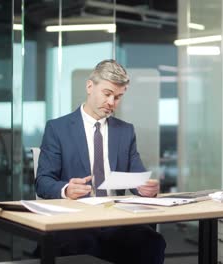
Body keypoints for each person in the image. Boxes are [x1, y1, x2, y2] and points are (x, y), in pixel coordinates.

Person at [35, 59, 166, 264]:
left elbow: (137, 178)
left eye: (118, 97)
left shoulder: (125, 131)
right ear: (90, 86)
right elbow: (42, 181)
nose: (112, 102)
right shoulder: (58, 129)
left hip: (116, 220)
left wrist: (146, 188)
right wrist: (66, 189)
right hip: (76, 222)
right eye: (107, 94)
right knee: (78, 244)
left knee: (152, 241)